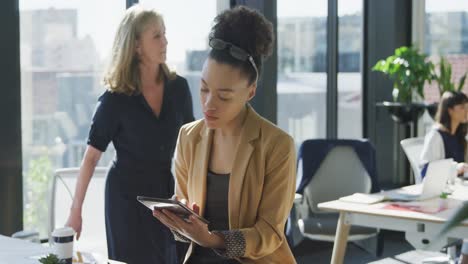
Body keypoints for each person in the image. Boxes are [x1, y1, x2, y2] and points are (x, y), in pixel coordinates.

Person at [152, 6, 297, 264]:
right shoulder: (189, 137)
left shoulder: (277, 146)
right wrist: (181, 219)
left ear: (250, 92)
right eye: (204, 89)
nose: (209, 104)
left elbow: (271, 233)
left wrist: (214, 239)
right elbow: (186, 231)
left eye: (224, 96)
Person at [65, 5, 194, 264]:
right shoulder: (116, 97)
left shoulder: (179, 88)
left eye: (165, 34)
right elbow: (90, 158)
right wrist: (75, 212)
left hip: (165, 193)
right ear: (136, 45)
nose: (165, 41)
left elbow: (192, 148)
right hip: (125, 198)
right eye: (157, 35)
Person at [420, 91, 468, 178]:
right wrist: (455, 169)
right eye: (462, 107)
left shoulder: (460, 136)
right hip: (442, 189)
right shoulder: (436, 136)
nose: (466, 111)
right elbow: (425, 171)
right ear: (450, 110)